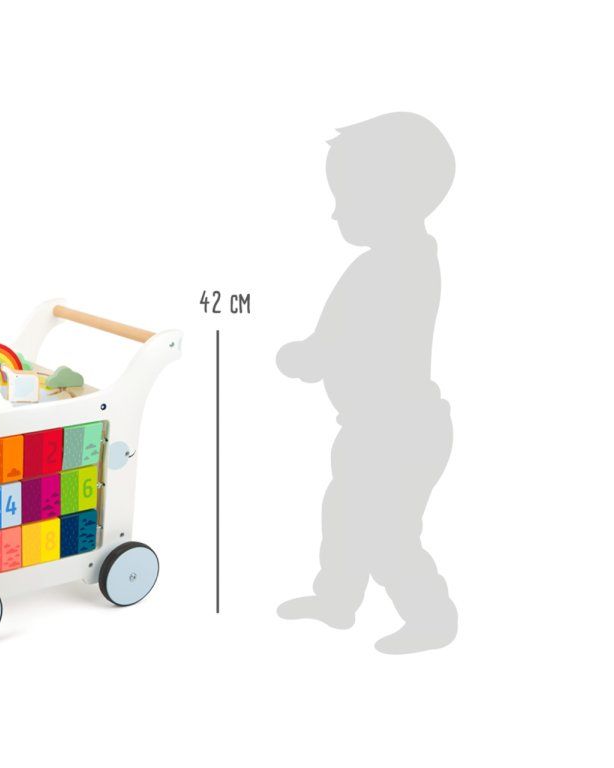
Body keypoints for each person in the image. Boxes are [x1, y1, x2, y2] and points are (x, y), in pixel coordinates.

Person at [276, 112, 458, 654]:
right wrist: (315, 352)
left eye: (348, 198)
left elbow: (347, 341)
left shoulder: (393, 270)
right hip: (370, 428)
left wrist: (305, 357)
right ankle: (336, 600)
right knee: (343, 517)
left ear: (393, 198)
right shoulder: (400, 262)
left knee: (388, 532)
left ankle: (432, 618)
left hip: (400, 431)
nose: (336, 212)